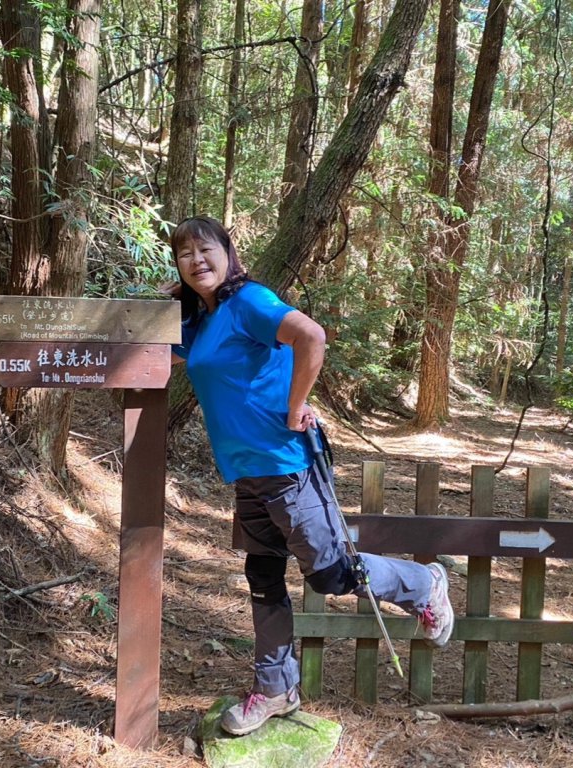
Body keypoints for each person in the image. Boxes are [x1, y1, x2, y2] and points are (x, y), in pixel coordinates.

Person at [168, 216, 454, 736]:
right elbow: (149, 340)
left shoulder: (249, 302)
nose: (196, 260)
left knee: (329, 574)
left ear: (229, 253)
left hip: (289, 465)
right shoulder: (200, 322)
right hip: (248, 475)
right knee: (263, 579)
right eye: (184, 253)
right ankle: (275, 689)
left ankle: (423, 584)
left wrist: (297, 405)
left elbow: (310, 336)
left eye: (205, 248)